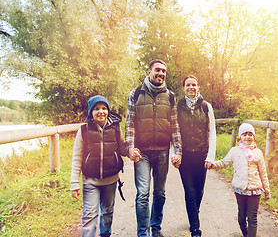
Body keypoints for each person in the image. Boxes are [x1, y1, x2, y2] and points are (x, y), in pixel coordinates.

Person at [125, 59, 182, 237]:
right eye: (157, 70)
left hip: (163, 152)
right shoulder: (135, 94)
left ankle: (156, 229)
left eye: (164, 71)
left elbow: (175, 126)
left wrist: (177, 151)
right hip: (141, 153)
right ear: (149, 72)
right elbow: (129, 124)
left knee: (159, 193)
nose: (161, 74)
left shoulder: (170, 96)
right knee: (142, 194)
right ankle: (143, 232)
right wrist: (130, 147)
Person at [70, 95, 134, 237]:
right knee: (90, 215)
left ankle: (105, 235)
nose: (101, 112)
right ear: (91, 112)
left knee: (108, 212)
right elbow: (77, 157)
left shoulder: (116, 128)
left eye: (104, 108)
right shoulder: (83, 131)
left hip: (110, 180)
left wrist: (131, 152)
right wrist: (74, 183)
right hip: (90, 181)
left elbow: (122, 148)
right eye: (96, 109)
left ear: (108, 111)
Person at [205, 123, 271, 237]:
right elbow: (224, 163)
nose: (247, 137)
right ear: (240, 136)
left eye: (250, 134)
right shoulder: (235, 151)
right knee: (241, 217)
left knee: (252, 217)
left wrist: (267, 190)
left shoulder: (258, 153)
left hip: (255, 189)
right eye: (244, 134)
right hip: (240, 189)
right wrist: (213, 164)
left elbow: (263, 173)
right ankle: (246, 234)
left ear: (253, 136)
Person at [176, 75, 216, 237]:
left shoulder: (206, 107)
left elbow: (212, 132)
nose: (191, 87)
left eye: (194, 84)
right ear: (184, 88)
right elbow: (175, 132)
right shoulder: (177, 107)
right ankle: (195, 228)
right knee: (190, 192)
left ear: (198, 87)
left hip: (202, 156)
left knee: (199, 191)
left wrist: (210, 156)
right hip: (185, 157)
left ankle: (193, 215)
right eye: (188, 85)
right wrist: (175, 153)